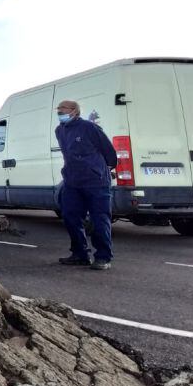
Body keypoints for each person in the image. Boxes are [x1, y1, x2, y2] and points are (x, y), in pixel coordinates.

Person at [55, 99, 118, 270]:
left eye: (63, 109)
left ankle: (103, 257)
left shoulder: (89, 128)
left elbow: (108, 151)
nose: (60, 112)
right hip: (72, 181)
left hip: (95, 182)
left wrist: (103, 170)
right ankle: (80, 254)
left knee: (99, 219)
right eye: (58, 110)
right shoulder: (59, 130)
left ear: (74, 111)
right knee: (70, 216)